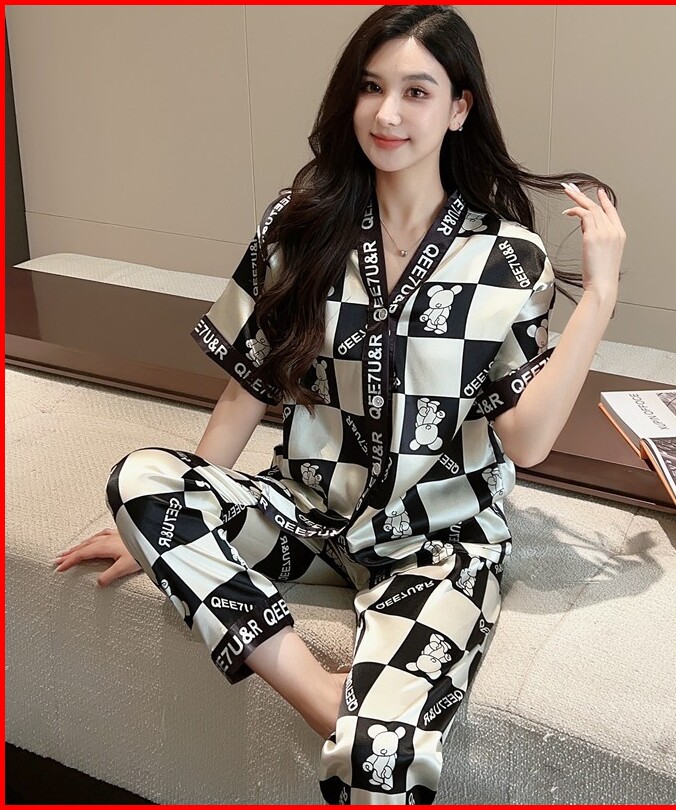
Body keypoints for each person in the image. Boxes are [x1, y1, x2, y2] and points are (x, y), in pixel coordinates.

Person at [54, 5, 626, 804]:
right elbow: (248, 388)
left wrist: (598, 297)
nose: (387, 114)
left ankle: (361, 726)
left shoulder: (505, 257)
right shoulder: (301, 225)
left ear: (459, 108)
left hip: (438, 544)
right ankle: (322, 694)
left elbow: (526, 441)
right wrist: (172, 526)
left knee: (380, 764)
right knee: (141, 479)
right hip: (307, 519)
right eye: (370, 87)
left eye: (416, 92)